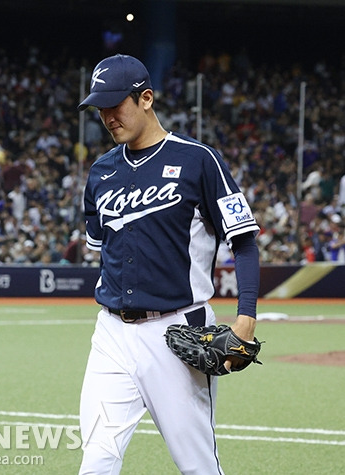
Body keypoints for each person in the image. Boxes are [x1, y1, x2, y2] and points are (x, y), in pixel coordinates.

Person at [76, 54, 260, 474]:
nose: (107, 116)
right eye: (99, 107)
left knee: (197, 466)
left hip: (178, 331)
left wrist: (245, 317)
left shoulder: (199, 160)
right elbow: (103, 248)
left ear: (145, 98)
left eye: (115, 104)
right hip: (111, 334)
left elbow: (244, 243)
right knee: (97, 458)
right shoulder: (101, 172)